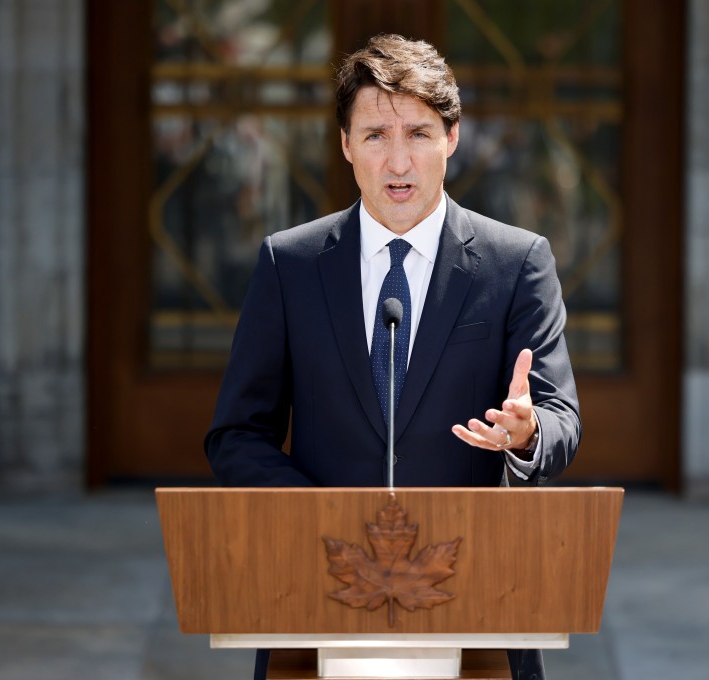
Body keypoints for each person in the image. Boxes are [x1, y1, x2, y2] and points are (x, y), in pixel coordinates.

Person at [205, 33, 581, 680]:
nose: (398, 161)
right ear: (347, 145)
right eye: (376, 135)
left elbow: (559, 419)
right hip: (316, 597)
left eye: (418, 133)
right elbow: (237, 433)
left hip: (476, 603)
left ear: (452, 139)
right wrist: (321, 520)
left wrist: (528, 433)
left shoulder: (516, 263)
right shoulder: (289, 264)